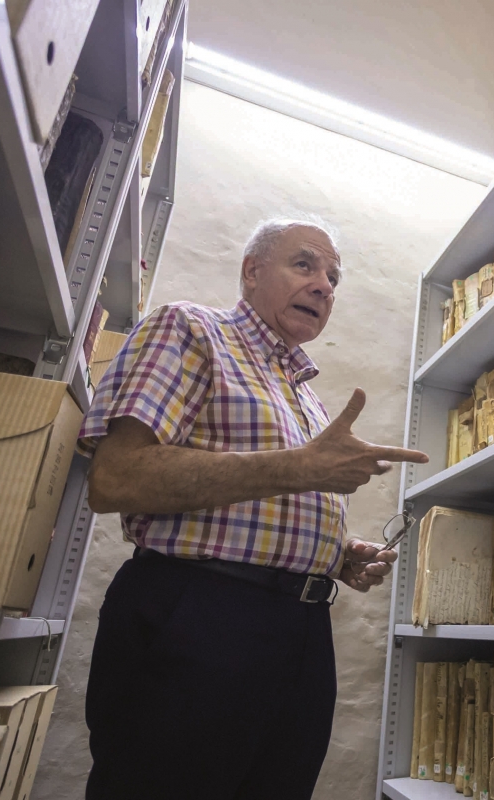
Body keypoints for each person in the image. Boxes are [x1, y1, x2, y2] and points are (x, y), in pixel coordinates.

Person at [78, 218, 428, 799]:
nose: (324, 285)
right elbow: (116, 478)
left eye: (333, 277)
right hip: (201, 614)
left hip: (303, 630)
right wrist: (304, 467)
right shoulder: (191, 329)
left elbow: (265, 507)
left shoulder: (306, 395)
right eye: (305, 264)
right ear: (251, 271)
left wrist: (338, 555)